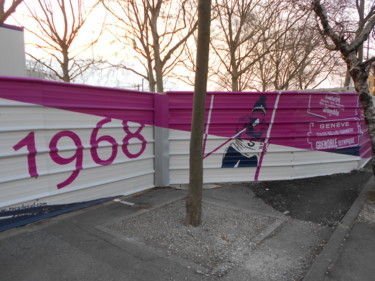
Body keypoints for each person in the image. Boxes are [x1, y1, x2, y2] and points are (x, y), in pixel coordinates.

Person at [221, 95, 268, 168]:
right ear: (252, 113)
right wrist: (250, 125)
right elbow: (240, 133)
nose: (258, 115)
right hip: (236, 149)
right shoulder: (245, 119)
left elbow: (261, 137)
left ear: (264, 115)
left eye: (261, 113)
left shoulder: (265, 126)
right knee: (226, 168)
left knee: (247, 174)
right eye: (256, 112)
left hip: (251, 154)